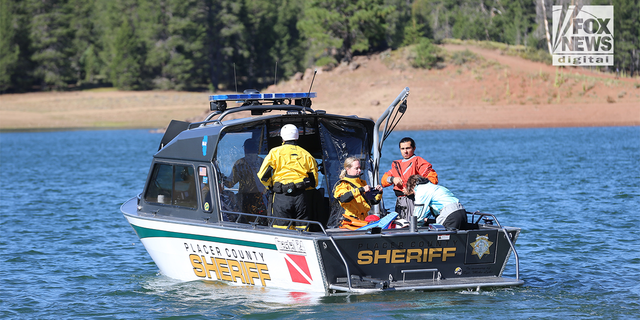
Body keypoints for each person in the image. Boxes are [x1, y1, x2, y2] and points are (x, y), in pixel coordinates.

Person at [257, 124, 318, 222]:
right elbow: (314, 182)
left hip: (281, 197)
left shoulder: (274, 153)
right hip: (301, 198)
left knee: (281, 229)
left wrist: (270, 186)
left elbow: (263, 176)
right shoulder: (306, 154)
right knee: (302, 228)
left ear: (282, 137)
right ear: (297, 137)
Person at [381, 137, 438, 220]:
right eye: (402, 149)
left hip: (414, 200)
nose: (405, 151)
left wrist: (413, 190)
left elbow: (433, 179)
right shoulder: (397, 165)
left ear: (414, 148)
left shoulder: (418, 161)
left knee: (414, 226)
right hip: (400, 202)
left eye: (408, 148)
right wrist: (393, 179)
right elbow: (384, 180)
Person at [406, 174, 476, 230]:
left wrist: (414, 226)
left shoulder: (420, 190)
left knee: (447, 243)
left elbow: (419, 211)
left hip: (450, 215)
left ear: (412, 187)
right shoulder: (435, 187)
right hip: (462, 211)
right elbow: (428, 209)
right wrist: (426, 219)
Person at [333, 157, 383, 229]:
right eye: (356, 168)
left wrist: (379, 192)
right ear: (348, 169)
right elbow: (343, 198)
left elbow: (373, 202)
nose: (359, 170)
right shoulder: (343, 184)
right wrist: (360, 190)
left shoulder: (362, 182)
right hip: (350, 221)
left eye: (360, 168)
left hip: (363, 220)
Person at [224, 139, 266, 215]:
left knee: (246, 222)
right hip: (261, 198)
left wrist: (221, 179)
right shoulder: (262, 162)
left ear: (245, 149)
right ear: (257, 149)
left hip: (245, 200)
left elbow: (230, 184)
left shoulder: (240, 163)